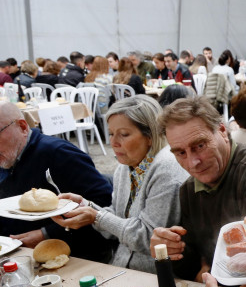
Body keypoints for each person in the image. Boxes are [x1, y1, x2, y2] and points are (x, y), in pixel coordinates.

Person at [149, 96, 246, 281]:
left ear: (222, 130)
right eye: (181, 153)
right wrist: (171, 249)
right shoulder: (189, 190)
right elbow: (192, 268)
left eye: (199, 145)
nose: (193, 162)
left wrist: (209, 271)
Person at [51, 96, 188, 272]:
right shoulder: (125, 168)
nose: (113, 142)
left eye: (123, 134)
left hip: (156, 276)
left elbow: (149, 239)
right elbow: (115, 226)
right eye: (110, 133)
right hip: (123, 269)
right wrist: (86, 206)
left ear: (150, 136)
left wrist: (97, 216)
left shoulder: (167, 168)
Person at [0, 103, 113, 262]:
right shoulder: (6, 159)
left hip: (75, 257)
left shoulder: (59, 154)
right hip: (17, 256)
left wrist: (46, 233)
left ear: (23, 127)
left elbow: (103, 203)